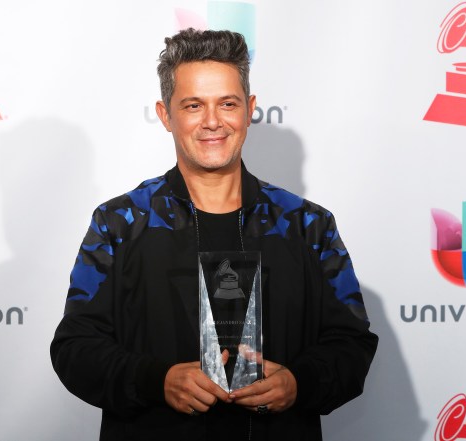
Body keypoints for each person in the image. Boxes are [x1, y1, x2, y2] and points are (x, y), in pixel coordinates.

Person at [51, 28, 378, 440]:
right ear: (166, 114)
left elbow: (352, 344)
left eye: (227, 103)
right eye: (193, 105)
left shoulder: (307, 225)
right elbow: (75, 348)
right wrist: (158, 380)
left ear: (249, 109)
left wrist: (299, 383)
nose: (212, 122)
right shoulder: (120, 223)